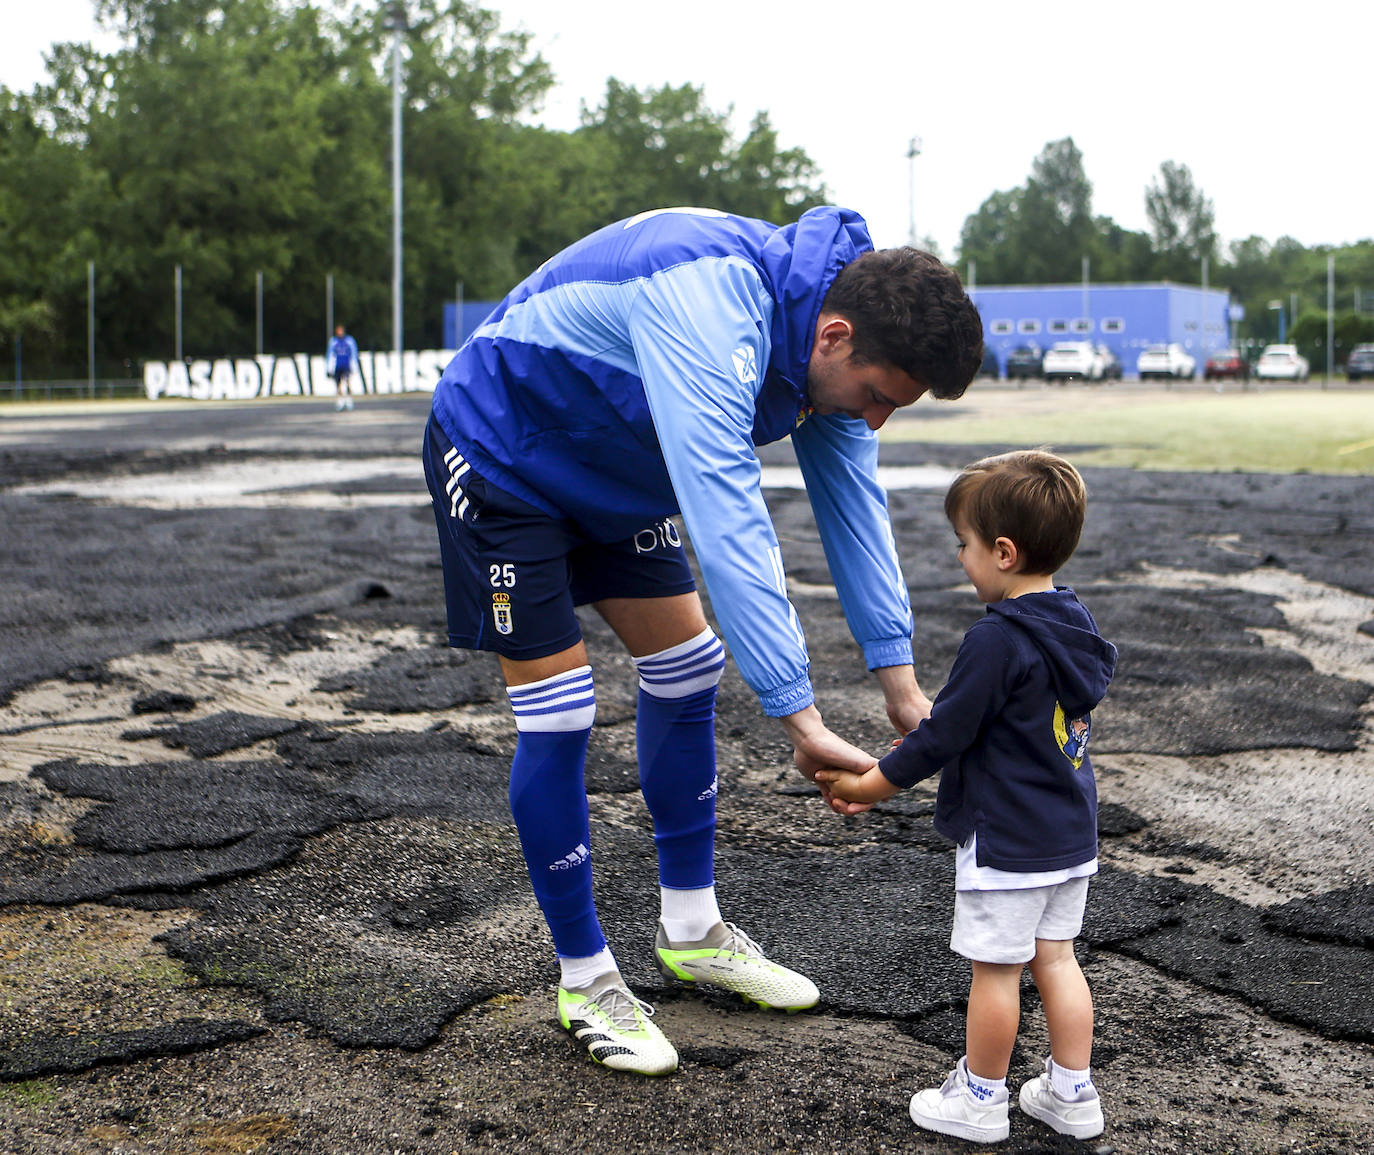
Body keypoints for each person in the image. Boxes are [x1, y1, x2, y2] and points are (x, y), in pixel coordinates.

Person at [420, 205, 984, 1076]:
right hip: (505, 456)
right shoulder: (709, 299)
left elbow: (854, 513)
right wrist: (799, 718)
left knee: (687, 666)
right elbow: (730, 519)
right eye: (878, 397)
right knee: (563, 709)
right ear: (835, 337)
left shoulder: (827, 336)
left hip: (613, 469)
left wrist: (901, 685)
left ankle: (690, 929)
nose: (875, 421)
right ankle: (585, 977)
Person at [816, 449, 1117, 1142]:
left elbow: (939, 737)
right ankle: (1072, 1092)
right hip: (1070, 838)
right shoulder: (1074, 621)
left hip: (1007, 839)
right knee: (1058, 958)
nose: (960, 557)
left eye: (966, 544)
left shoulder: (996, 639)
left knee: (998, 971)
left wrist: (871, 783)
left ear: (1003, 552)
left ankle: (981, 1098)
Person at [327, 324, 359, 411]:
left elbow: (354, 353)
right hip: (337, 366)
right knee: (338, 384)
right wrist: (329, 367)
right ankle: (340, 400)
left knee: (347, 382)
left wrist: (354, 365)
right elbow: (330, 354)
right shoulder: (333, 341)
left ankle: (349, 400)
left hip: (346, 365)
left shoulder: (349, 341)